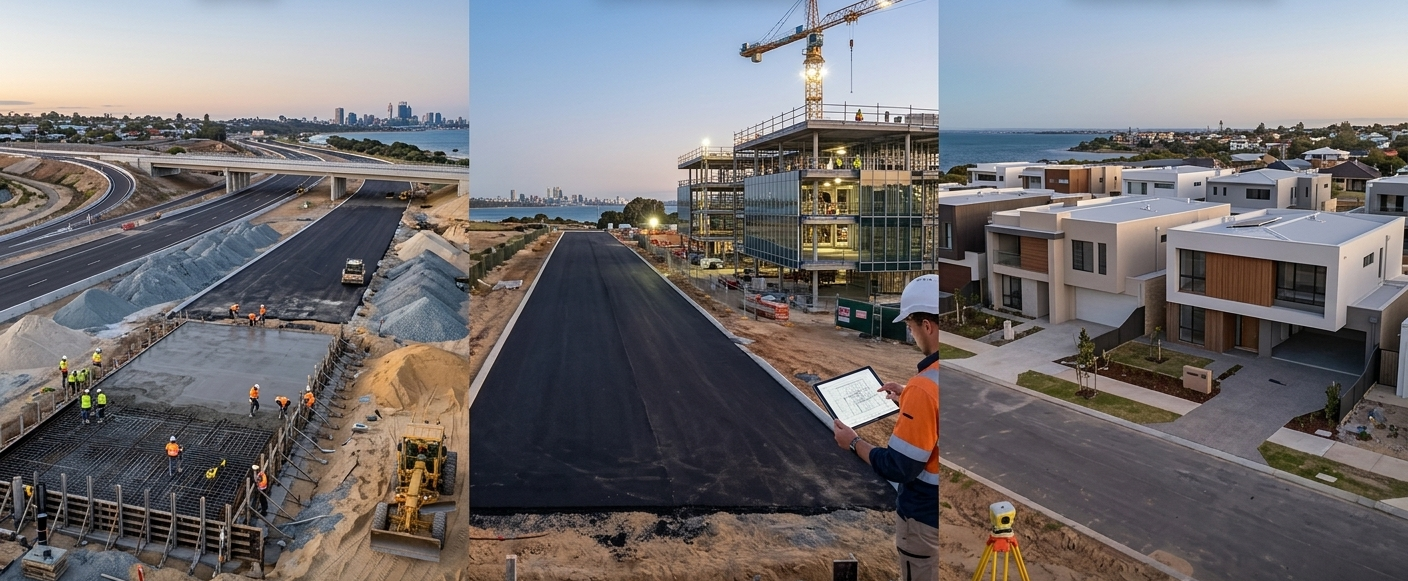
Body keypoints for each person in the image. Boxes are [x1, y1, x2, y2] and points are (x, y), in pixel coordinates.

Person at [831, 274, 938, 580]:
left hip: (923, 520)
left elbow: (899, 467)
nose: (911, 333)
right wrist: (908, 398)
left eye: (911, 326)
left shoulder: (925, 387)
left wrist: (853, 442)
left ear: (926, 326)